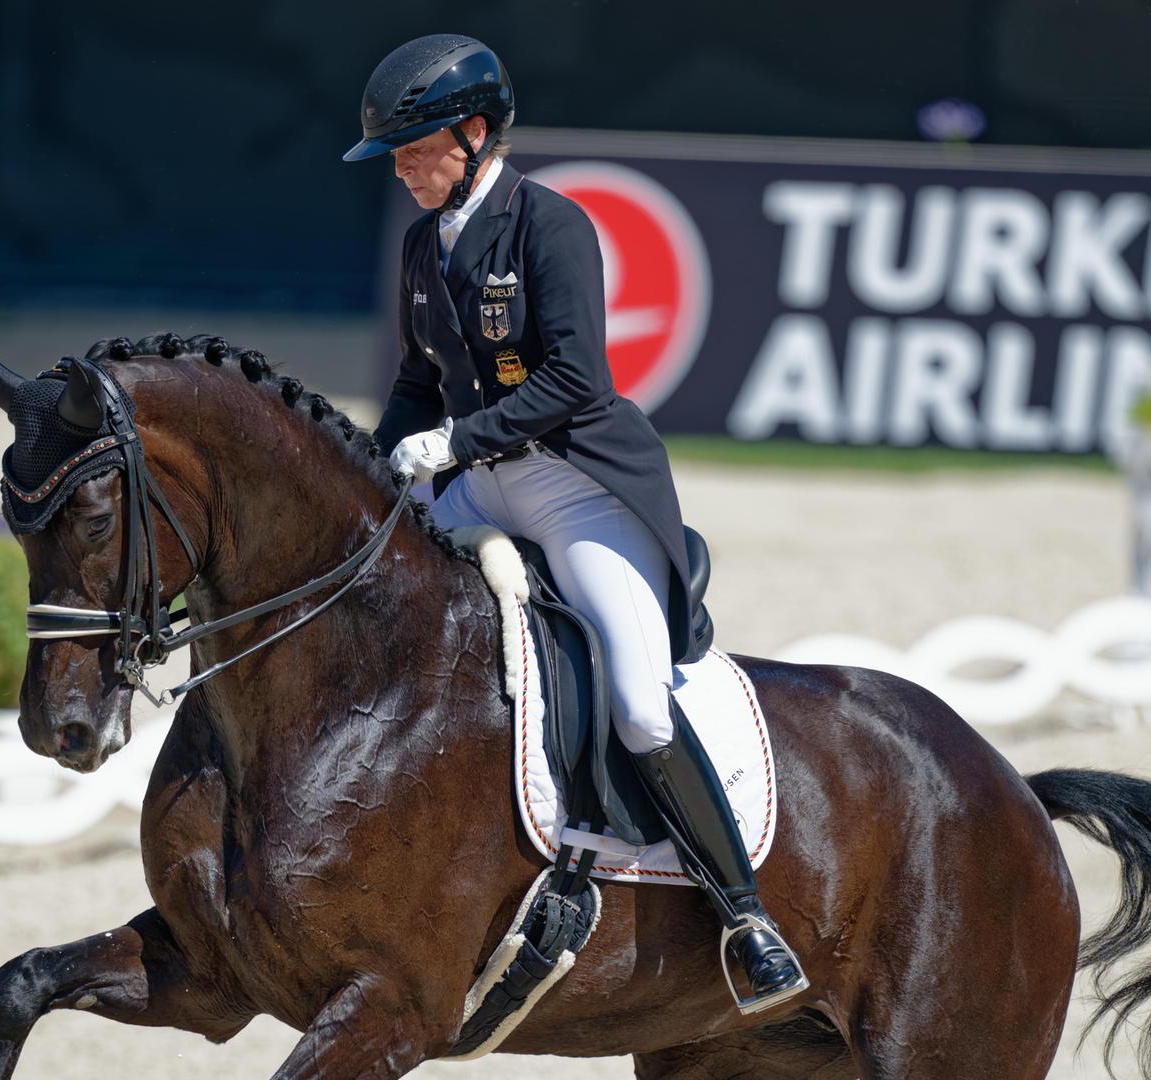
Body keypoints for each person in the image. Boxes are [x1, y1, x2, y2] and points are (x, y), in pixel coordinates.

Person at [345, 34, 806, 1013]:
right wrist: (374, 458)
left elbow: (574, 380)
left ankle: (745, 916)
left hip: (570, 482)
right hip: (475, 477)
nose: (400, 166)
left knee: (639, 701)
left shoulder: (549, 226)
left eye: (415, 147)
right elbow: (417, 381)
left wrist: (455, 443)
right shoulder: (423, 242)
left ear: (473, 134)